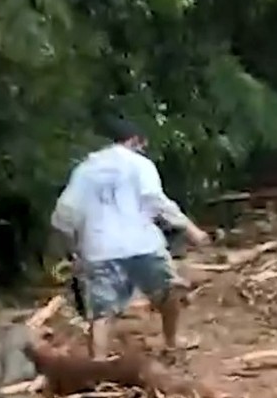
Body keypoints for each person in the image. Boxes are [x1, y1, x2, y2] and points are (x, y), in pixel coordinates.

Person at [49, 117, 210, 359]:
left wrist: (74, 251)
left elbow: (64, 214)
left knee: (102, 313)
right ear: (134, 140)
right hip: (142, 244)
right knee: (168, 292)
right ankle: (172, 340)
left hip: (99, 248)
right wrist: (191, 230)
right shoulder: (139, 164)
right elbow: (157, 201)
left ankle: (98, 365)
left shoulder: (85, 169)